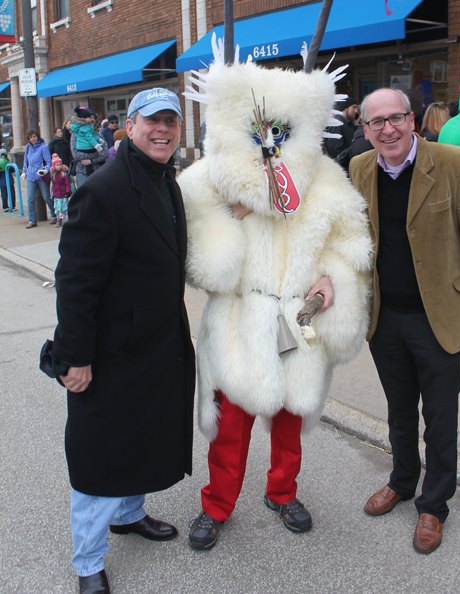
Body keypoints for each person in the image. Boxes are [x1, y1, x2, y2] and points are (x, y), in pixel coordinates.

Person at [179, 52, 372, 552]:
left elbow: (351, 245)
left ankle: (282, 492)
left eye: (281, 130)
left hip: (296, 319)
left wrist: (331, 281)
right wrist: (231, 214)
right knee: (231, 426)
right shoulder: (209, 179)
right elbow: (194, 252)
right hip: (240, 320)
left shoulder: (325, 178)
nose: (270, 141)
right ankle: (216, 504)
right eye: (260, 128)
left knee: (289, 423)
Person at [48, 87, 195, 594]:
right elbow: (76, 282)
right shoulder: (104, 188)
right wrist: (76, 357)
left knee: (142, 439)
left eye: (170, 122)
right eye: (151, 121)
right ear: (128, 127)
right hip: (110, 354)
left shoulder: (165, 181)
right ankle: (88, 563)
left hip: (153, 348)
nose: (162, 130)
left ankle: (129, 514)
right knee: (100, 457)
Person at [350, 87, 460, 554]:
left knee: (440, 418)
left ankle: (434, 505)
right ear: (366, 128)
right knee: (398, 412)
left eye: (395, 118)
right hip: (386, 317)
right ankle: (401, 480)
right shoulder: (359, 168)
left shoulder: (454, 163)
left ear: (412, 119)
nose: (387, 129)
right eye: (376, 122)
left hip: (439, 316)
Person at [22, 129, 56, 228]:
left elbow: (48, 161)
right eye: (31, 137)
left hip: (41, 176)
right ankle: (32, 220)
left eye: (35, 136)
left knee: (46, 197)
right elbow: (25, 161)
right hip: (30, 176)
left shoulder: (43, 147)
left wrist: (45, 170)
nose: (33, 138)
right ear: (28, 138)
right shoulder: (28, 147)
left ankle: (54, 215)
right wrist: (24, 171)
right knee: (30, 199)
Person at [70, 112, 109, 189]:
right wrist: (96, 154)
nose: (91, 120)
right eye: (89, 118)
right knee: (83, 197)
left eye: (93, 118)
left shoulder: (99, 135)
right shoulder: (75, 135)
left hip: (97, 170)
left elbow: (105, 153)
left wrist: (91, 160)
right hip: (82, 171)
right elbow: (76, 154)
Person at [324, 96, 359, 162]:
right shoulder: (337, 124)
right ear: (345, 108)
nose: (356, 111)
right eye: (353, 107)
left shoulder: (349, 124)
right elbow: (335, 151)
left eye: (356, 108)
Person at [50, 155, 71, 227]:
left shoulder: (64, 174)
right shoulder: (53, 174)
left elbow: (67, 183)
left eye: (60, 164)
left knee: (65, 207)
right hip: (56, 194)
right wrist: (42, 175)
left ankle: (69, 220)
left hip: (63, 193)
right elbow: (47, 180)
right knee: (58, 208)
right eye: (57, 165)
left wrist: (68, 191)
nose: (59, 166)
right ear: (54, 166)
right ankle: (59, 221)